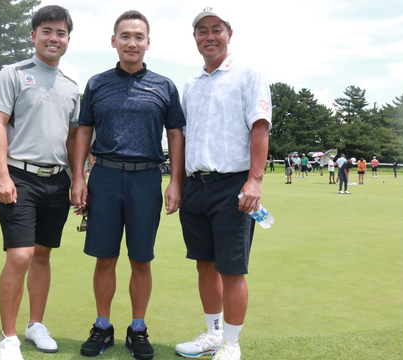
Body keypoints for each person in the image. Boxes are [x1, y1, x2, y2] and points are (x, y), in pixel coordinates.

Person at [70, 10, 185, 360]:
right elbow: (84, 130)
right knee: (104, 257)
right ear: (114, 41)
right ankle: (103, 326)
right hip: (104, 176)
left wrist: (175, 181)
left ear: (148, 43)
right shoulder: (97, 83)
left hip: (147, 178)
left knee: (141, 259)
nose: (131, 42)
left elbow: (176, 134)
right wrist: (79, 176)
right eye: (125, 36)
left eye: (138, 36)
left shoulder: (165, 86)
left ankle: (138, 328)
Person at [174, 7, 272, 360]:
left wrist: (255, 181)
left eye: (216, 29)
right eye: (202, 30)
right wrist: (178, 183)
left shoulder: (248, 73)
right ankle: (214, 334)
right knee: (204, 263)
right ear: (195, 37)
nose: (209, 36)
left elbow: (259, 127)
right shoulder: (191, 84)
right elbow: (184, 138)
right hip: (196, 186)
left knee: (231, 268)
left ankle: (232, 343)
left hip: (234, 185)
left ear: (229, 33)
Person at [0, 6, 79, 360]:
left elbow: (73, 141)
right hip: (18, 175)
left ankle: (35, 324)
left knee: (42, 255)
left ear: (68, 39)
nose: (54, 38)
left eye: (61, 33)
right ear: (34, 35)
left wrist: (77, 180)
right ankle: (8, 337)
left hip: (56, 180)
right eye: (47, 31)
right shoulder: (13, 74)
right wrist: (2, 176)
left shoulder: (71, 87)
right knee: (20, 255)